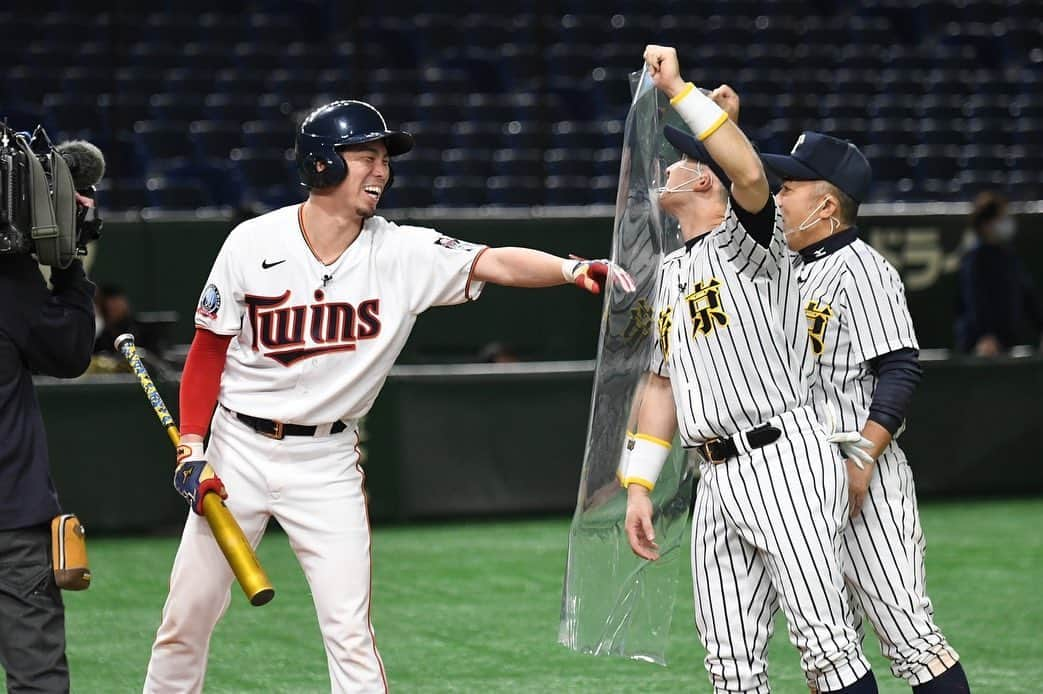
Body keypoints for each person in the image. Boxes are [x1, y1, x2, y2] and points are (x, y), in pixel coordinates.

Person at [143, 99, 634, 693]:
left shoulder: (402, 251)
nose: (382, 171)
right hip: (236, 450)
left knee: (350, 632)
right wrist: (193, 444)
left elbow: (494, 260)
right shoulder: (252, 242)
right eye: (365, 157)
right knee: (186, 617)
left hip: (326, 461)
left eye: (384, 160)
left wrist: (569, 267)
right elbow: (208, 349)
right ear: (322, 164)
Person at [620, 46, 876, 693]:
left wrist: (678, 88)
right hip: (714, 476)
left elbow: (749, 174)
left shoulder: (748, 243)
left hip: (780, 458)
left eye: (683, 161)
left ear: (704, 181)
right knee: (728, 663)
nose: (670, 168)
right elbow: (658, 385)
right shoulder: (670, 272)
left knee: (826, 645)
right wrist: (638, 486)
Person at [762, 127, 972, 693]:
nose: (777, 196)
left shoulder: (864, 270)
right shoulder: (779, 269)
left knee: (909, 637)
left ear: (826, 204)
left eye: (790, 187)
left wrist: (863, 458)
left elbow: (900, 369)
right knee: (826, 652)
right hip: (794, 478)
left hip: (860, 471)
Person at [0, 254, 96, 692]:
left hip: (14, 517)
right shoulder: (8, 279)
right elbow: (70, 352)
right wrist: (67, 264)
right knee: (37, 681)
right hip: (12, 520)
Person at [954, 191, 1043, 356]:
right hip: (980, 347)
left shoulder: (1009, 257)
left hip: (1007, 342)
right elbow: (974, 301)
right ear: (987, 224)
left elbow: (1027, 295)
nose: (1007, 223)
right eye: (1002, 218)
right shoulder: (974, 259)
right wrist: (985, 336)